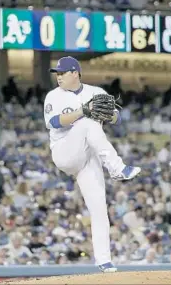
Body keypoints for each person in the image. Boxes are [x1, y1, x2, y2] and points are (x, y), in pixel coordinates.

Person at [43, 56, 141, 273]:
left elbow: (117, 117)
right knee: (87, 123)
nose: (58, 77)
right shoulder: (54, 96)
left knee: (99, 209)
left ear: (75, 73)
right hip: (64, 151)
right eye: (57, 73)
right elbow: (53, 122)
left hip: (88, 156)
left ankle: (104, 261)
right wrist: (83, 112)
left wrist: (110, 116)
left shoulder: (95, 91)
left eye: (62, 73)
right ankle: (117, 168)